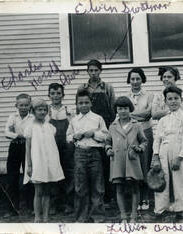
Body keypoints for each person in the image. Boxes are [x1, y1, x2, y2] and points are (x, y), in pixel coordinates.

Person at [77, 59, 116, 203]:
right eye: (90, 70)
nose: (93, 73)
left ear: (100, 71)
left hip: (102, 127)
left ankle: (106, 196)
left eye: (96, 70)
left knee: (104, 162)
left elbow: (112, 108)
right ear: (87, 71)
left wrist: (110, 126)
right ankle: (88, 198)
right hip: (86, 130)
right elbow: (78, 110)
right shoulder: (82, 88)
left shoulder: (107, 87)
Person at [66, 90, 108, 222]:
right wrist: (74, 136)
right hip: (80, 154)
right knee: (80, 186)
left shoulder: (97, 118)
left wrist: (94, 134)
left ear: (91, 103)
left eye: (86, 102)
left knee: (97, 186)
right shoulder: (74, 120)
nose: (83, 105)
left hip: (95, 153)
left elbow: (106, 136)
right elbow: (68, 137)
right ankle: (81, 216)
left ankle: (97, 216)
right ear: (77, 104)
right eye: (80, 103)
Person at [151, 86, 183, 221]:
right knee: (163, 179)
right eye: (170, 99)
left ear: (181, 100)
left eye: (176, 98)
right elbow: (157, 139)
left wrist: (180, 157)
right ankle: (160, 208)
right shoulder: (163, 119)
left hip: (178, 150)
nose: (173, 102)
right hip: (164, 150)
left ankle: (179, 209)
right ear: (166, 101)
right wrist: (156, 156)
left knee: (179, 180)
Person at [105, 96, 147, 223]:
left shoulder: (136, 125)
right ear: (116, 110)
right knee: (119, 189)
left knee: (134, 188)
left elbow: (144, 141)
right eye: (120, 109)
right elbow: (107, 141)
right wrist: (108, 149)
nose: (123, 111)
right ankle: (123, 216)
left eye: (125, 108)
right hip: (118, 161)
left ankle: (134, 216)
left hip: (132, 161)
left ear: (130, 109)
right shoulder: (112, 126)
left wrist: (139, 148)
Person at [24, 98, 65, 223]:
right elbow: (28, 147)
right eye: (39, 110)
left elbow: (51, 147)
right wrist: (29, 165)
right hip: (37, 162)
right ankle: (37, 216)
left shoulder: (50, 127)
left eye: (44, 110)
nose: (42, 112)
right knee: (39, 191)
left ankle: (46, 217)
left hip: (49, 162)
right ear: (33, 111)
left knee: (47, 191)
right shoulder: (30, 127)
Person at [126, 67, 154, 211]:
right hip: (131, 133)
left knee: (145, 165)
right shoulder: (126, 96)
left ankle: (145, 198)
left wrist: (132, 115)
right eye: (132, 79)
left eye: (138, 78)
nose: (135, 82)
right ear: (129, 80)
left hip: (146, 131)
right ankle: (136, 199)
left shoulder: (149, 95)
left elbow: (149, 114)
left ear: (142, 79)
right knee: (134, 165)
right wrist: (139, 115)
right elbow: (123, 115)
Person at [4, 93, 34, 216]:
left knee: (29, 176)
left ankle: (31, 207)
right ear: (16, 105)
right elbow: (6, 132)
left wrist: (25, 136)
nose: (23, 107)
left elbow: (33, 132)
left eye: (26, 105)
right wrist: (17, 135)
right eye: (21, 105)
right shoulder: (13, 117)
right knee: (12, 177)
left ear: (30, 105)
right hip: (15, 147)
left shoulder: (32, 118)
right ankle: (12, 208)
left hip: (27, 147)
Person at [47, 83, 75, 215]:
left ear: (63, 95)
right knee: (53, 172)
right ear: (49, 95)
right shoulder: (46, 111)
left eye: (58, 93)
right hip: (51, 145)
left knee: (68, 172)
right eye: (53, 93)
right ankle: (53, 203)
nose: (56, 96)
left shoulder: (68, 110)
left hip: (66, 145)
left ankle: (69, 203)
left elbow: (74, 127)